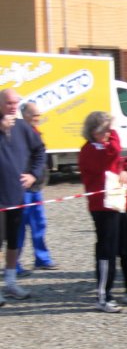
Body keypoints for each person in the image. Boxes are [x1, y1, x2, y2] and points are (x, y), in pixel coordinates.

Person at [78, 112, 127, 313]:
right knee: (107, 250)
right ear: (93, 131)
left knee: (126, 246)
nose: (109, 133)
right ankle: (104, 295)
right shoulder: (88, 150)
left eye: (109, 130)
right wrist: (113, 134)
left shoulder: (103, 147)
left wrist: (124, 171)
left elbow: (115, 162)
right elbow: (112, 153)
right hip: (102, 207)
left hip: (117, 202)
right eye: (104, 130)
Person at [0, 89, 46, 306]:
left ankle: (10, 282)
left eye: (15, 103)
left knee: (13, 242)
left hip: (16, 197)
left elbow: (40, 150)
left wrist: (33, 175)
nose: (13, 107)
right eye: (9, 103)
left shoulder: (22, 127)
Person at [15, 102, 57, 277]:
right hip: (22, 189)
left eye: (38, 115)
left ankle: (42, 258)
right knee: (19, 227)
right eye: (35, 115)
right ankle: (14, 263)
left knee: (39, 224)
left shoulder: (35, 132)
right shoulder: (19, 133)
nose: (38, 118)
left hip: (36, 188)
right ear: (25, 116)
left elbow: (39, 156)